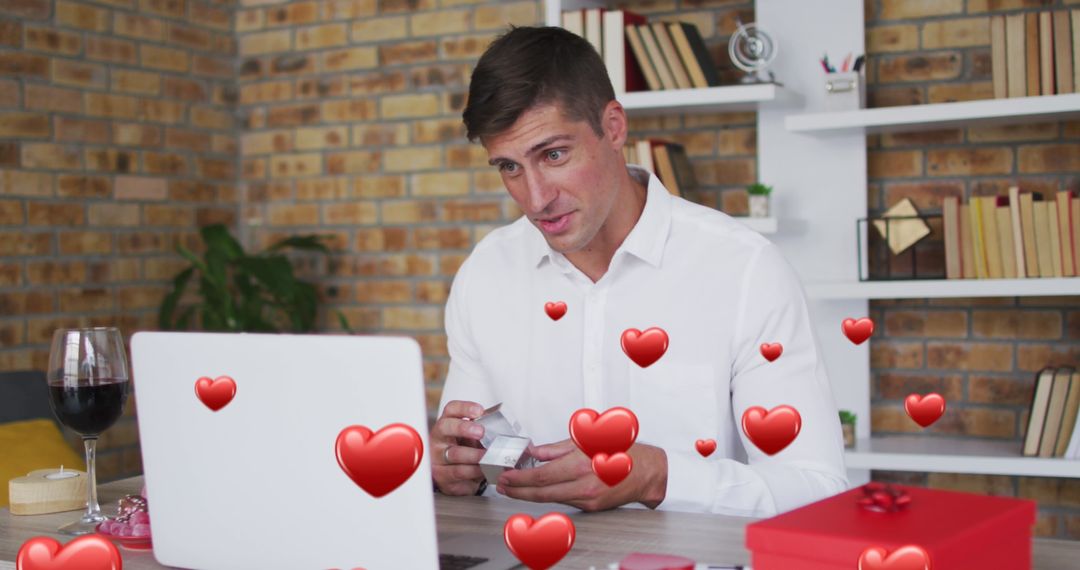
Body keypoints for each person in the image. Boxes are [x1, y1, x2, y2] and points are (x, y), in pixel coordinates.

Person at [430, 26, 848, 516]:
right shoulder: (485, 274)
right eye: (509, 167)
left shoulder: (744, 271)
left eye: (554, 155)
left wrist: (657, 476)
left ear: (613, 127)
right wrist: (451, 471)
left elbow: (819, 490)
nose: (536, 198)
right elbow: (470, 466)